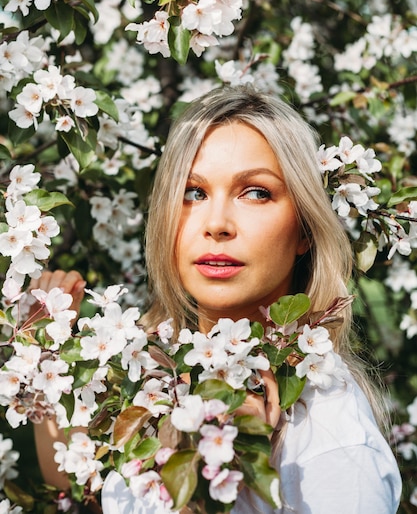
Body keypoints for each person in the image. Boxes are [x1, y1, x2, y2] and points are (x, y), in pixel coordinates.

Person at [32, 85, 402, 513]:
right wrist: (48, 349)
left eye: (256, 192)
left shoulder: (333, 445)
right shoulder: (162, 371)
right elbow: (84, 486)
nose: (217, 224)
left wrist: (234, 462)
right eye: (193, 192)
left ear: (304, 229)